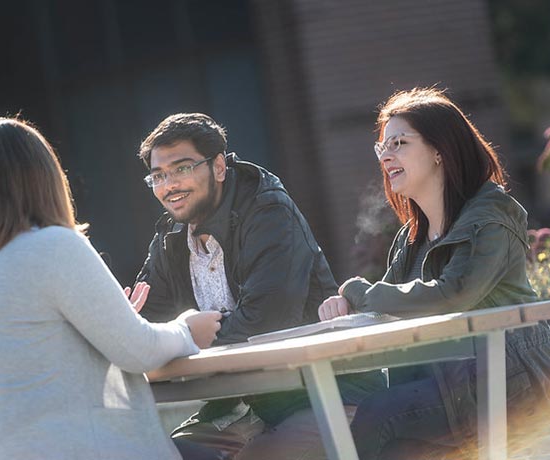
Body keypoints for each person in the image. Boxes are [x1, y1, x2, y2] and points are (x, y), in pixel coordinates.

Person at [0, 118, 222, 460]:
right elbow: (138, 352)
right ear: (44, 176)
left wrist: (103, 322)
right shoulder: (55, 245)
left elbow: (25, 356)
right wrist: (187, 329)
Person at [319, 88, 550, 459]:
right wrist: (346, 301)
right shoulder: (411, 238)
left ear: (439, 150)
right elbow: (386, 304)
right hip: (449, 385)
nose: (387, 155)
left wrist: (359, 291)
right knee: (386, 442)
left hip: (508, 384)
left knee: (378, 416)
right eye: (382, 147)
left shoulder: (492, 217)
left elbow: (454, 293)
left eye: (399, 142)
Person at [134, 113, 384, 459]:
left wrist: (183, 336)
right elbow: (142, 326)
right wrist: (170, 331)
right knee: (161, 454)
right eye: (158, 176)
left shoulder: (268, 213)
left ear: (218, 167)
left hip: (326, 393)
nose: (169, 185)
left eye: (182, 168)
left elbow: (263, 322)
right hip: (246, 404)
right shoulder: (170, 238)